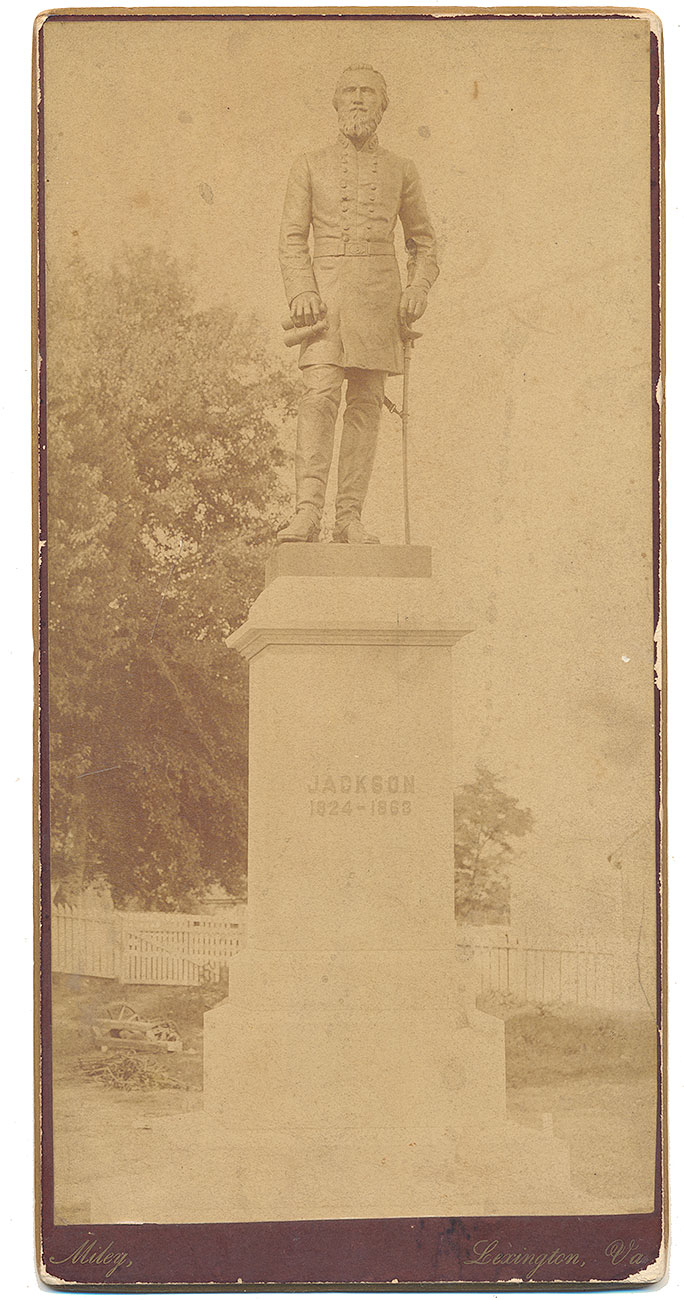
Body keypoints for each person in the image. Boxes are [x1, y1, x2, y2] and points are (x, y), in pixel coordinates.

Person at [277, 64, 439, 544]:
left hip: (379, 300)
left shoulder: (401, 169)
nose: (358, 99)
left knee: (366, 407)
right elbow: (291, 238)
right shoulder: (309, 165)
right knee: (318, 397)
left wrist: (418, 289)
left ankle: (349, 518)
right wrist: (302, 290)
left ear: (383, 105)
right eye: (349, 91)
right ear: (335, 102)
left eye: (368, 92)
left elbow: (424, 242)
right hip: (324, 302)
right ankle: (307, 512)